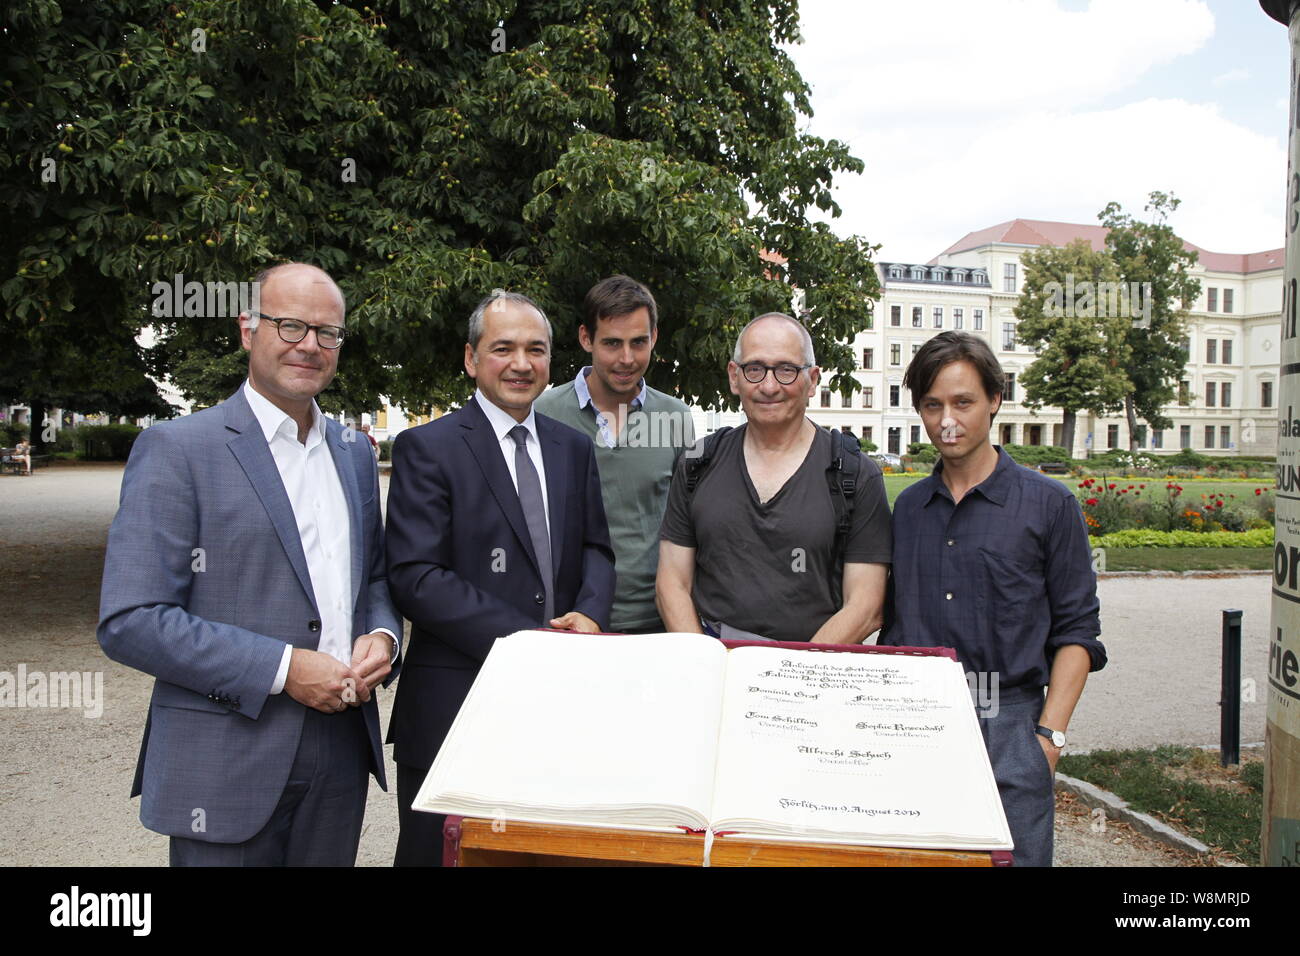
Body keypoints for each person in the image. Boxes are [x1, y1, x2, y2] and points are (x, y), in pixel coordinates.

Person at [97, 263, 402, 866]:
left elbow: (371, 579)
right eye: (290, 326)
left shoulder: (352, 454)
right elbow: (131, 619)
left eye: (328, 333)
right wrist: (284, 668)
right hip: (226, 755)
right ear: (248, 329)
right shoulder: (178, 449)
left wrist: (384, 637)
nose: (310, 345)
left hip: (341, 751)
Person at [384, 289, 616, 866]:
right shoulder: (427, 447)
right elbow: (415, 576)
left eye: (536, 349)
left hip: (558, 702)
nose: (521, 363)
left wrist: (589, 611)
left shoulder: (574, 449)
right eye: (503, 348)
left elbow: (597, 549)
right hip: (455, 706)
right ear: (470, 359)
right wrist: (526, 641)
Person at [881, 330, 1107, 867]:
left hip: (1011, 721)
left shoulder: (1049, 505)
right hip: (918, 722)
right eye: (932, 405)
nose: (946, 420)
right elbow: (893, 623)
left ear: (995, 401)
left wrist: (1048, 739)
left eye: (963, 402)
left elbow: (1078, 631)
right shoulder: (908, 510)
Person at [657, 312, 891, 643]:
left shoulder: (855, 474)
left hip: (814, 664)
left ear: (812, 380)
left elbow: (865, 606)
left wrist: (791, 676)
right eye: (755, 369)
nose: (769, 386)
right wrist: (702, 662)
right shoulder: (697, 462)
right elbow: (672, 583)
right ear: (734, 376)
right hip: (713, 655)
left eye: (786, 370)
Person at [534, 275, 695, 633]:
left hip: (656, 621)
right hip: (568, 621)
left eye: (638, 342)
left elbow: (688, 525)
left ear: (654, 338)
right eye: (612, 343)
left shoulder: (676, 417)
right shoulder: (541, 413)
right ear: (585, 338)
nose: (626, 358)